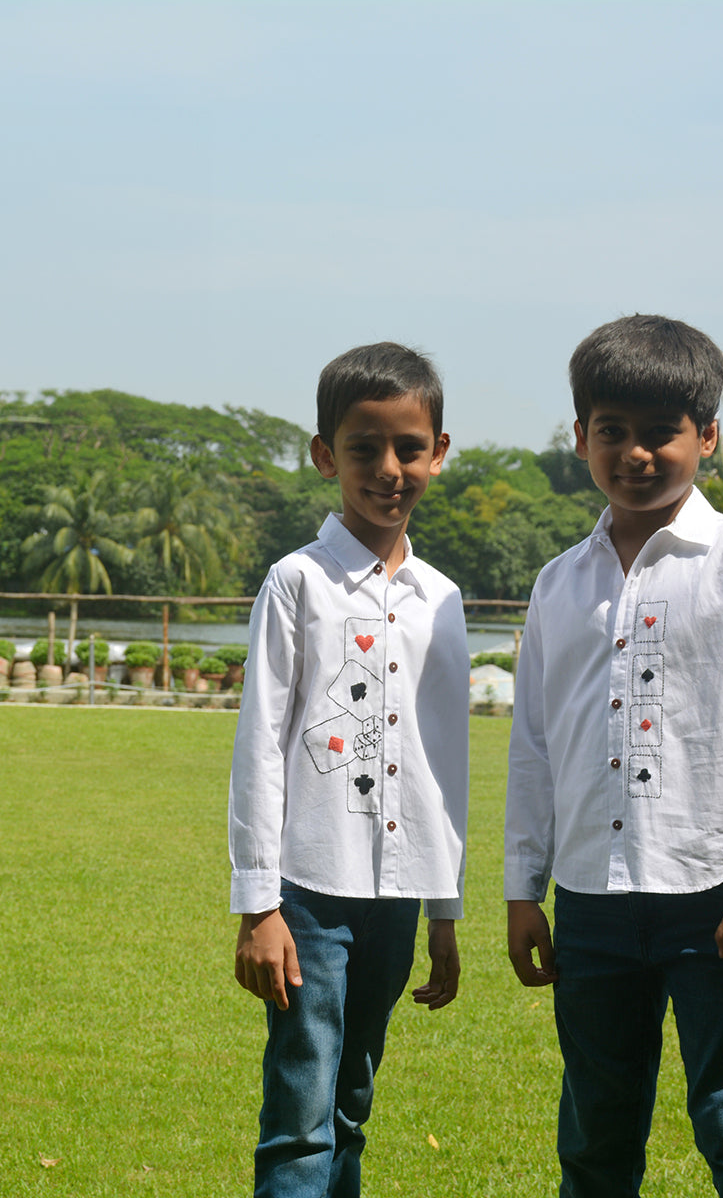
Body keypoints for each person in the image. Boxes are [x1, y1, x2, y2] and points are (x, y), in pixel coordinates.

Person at [505, 314, 723, 1197]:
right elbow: (533, 744)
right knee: (597, 1135)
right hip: (592, 902)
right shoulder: (560, 582)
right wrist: (524, 890)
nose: (635, 453)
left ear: (707, 437)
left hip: (715, 893)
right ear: (579, 437)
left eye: (661, 432)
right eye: (612, 431)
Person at [229, 341, 469, 1198]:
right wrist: (259, 904)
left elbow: (444, 764)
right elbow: (260, 742)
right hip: (310, 891)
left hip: (397, 899)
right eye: (364, 449)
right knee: (300, 1112)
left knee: (352, 1103)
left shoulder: (441, 598)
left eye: (409, 448)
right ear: (326, 454)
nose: (389, 468)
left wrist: (444, 909)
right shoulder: (298, 583)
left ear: (439, 451)